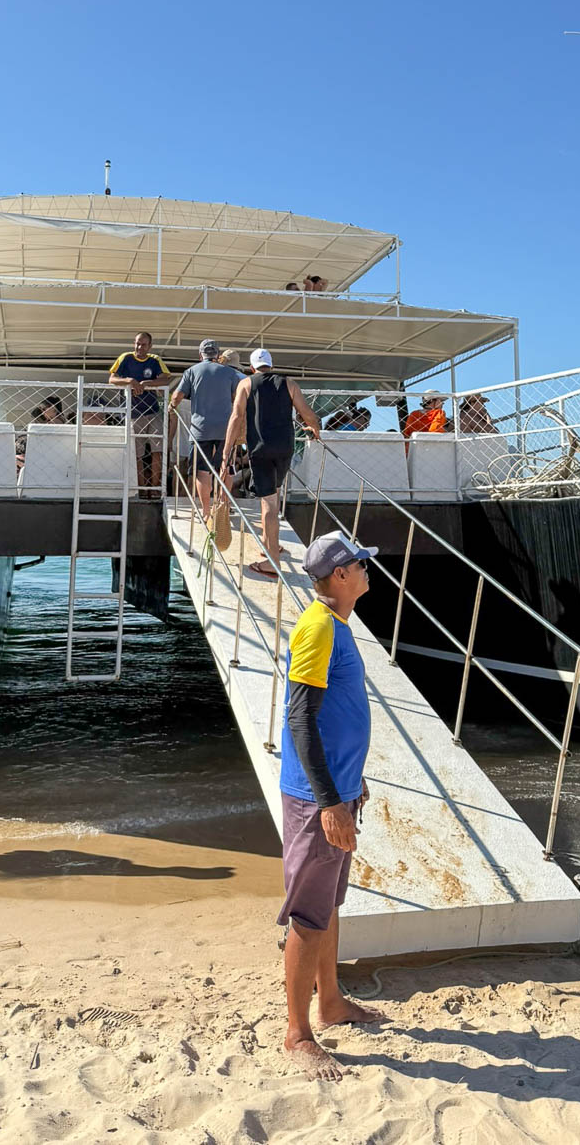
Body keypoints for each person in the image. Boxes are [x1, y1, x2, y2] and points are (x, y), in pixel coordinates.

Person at [278, 531, 384, 1078]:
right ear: (340, 575)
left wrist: (351, 784)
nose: (368, 569)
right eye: (361, 563)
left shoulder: (339, 625)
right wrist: (328, 801)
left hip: (336, 792)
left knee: (330, 905)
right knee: (308, 914)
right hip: (314, 800)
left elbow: (338, 714)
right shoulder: (318, 626)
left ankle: (332, 1001)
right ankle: (299, 1033)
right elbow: (301, 719)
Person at [221, 349, 320, 578]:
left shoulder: (246, 384)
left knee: (268, 505)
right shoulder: (289, 383)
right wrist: (315, 429)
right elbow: (307, 413)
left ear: (253, 367)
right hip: (285, 448)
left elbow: (236, 417)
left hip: (260, 449)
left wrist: (227, 452)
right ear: (271, 365)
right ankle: (270, 544)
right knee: (274, 495)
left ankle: (272, 562)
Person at [169, 339, 240, 521]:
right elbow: (236, 397)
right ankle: (224, 506)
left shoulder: (191, 371)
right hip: (226, 429)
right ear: (217, 355)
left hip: (200, 429)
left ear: (200, 355)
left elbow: (177, 395)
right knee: (227, 467)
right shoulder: (229, 372)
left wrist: (171, 406)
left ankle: (206, 512)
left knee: (202, 471)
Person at [109, 331, 171, 489]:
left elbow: (166, 379)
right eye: (137, 343)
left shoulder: (155, 360)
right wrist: (129, 381)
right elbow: (111, 379)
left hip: (153, 411)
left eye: (143, 344)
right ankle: (140, 488)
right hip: (132, 413)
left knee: (158, 451)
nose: (139, 347)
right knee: (137, 454)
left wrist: (146, 383)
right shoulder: (125, 358)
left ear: (150, 346)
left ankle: (156, 488)